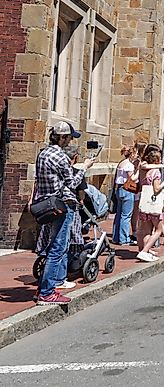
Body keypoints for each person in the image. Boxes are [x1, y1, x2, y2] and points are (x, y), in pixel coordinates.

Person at [33, 122, 95, 305]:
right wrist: (84, 167)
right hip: (61, 204)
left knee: (51, 245)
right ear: (62, 137)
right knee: (58, 248)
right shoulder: (60, 157)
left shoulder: (43, 153)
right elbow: (72, 183)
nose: (70, 141)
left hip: (46, 204)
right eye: (68, 137)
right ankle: (47, 292)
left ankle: (43, 288)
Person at [137, 148, 164, 262]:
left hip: (145, 204)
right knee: (158, 230)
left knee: (147, 230)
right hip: (154, 204)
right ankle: (144, 251)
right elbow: (156, 189)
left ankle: (146, 251)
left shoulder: (144, 171)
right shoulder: (155, 172)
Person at [113, 145, 139, 245]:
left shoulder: (121, 163)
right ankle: (124, 238)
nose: (137, 155)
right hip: (127, 190)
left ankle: (117, 237)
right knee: (126, 216)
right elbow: (132, 178)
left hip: (120, 189)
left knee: (119, 214)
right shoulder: (129, 165)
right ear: (131, 154)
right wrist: (138, 172)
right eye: (136, 153)